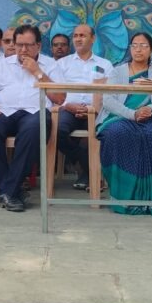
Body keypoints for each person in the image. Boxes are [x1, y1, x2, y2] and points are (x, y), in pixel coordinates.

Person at [0, 25, 66, 212]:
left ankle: (8, 191)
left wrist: (37, 72)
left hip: (35, 112)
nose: (23, 50)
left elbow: (59, 98)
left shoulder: (51, 65)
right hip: (5, 111)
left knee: (34, 129)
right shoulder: (4, 64)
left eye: (28, 45)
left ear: (38, 46)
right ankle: (12, 191)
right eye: (19, 45)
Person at [97, 33, 152, 214]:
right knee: (118, 133)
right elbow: (108, 100)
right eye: (135, 45)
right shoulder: (117, 72)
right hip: (119, 118)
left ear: (151, 50)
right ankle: (122, 196)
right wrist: (132, 114)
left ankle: (149, 199)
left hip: (148, 120)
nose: (138, 49)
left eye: (143, 45)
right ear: (130, 48)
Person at [56, 24, 113, 190]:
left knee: (103, 132)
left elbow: (109, 93)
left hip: (96, 110)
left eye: (82, 35)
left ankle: (87, 173)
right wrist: (67, 105)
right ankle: (87, 168)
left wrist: (92, 109)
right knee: (57, 130)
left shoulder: (105, 64)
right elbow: (54, 93)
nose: (78, 39)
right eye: (75, 36)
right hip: (68, 109)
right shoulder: (62, 64)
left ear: (93, 39)